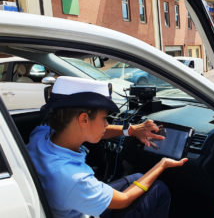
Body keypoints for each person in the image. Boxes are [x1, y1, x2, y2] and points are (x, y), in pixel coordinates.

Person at [27, 76, 188, 218]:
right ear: (83, 119)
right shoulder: (74, 179)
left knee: (139, 176)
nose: (106, 124)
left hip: (71, 201)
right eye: (105, 118)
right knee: (159, 189)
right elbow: (124, 200)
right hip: (84, 210)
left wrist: (131, 130)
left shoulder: (41, 134)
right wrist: (161, 165)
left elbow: (97, 131)